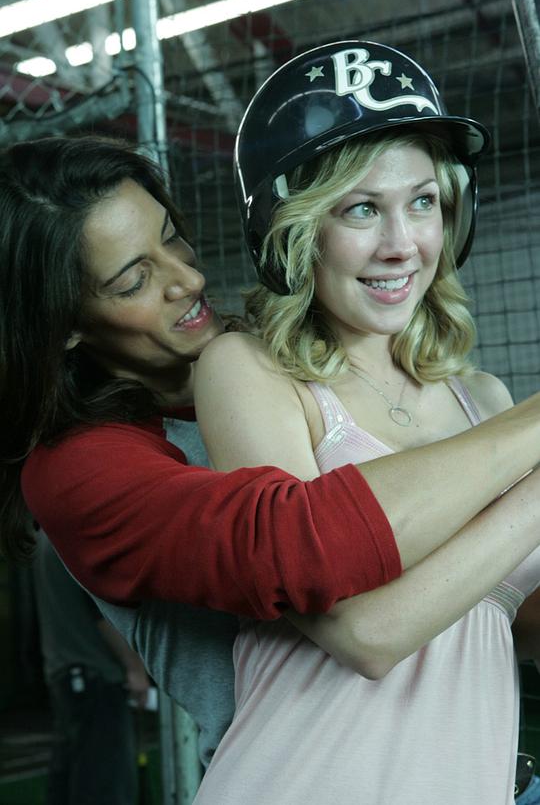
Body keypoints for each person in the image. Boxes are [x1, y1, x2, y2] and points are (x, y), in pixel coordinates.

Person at [1, 131, 540, 769]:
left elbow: (490, 606)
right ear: (63, 322)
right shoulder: (78, 469)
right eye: (134, 280)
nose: (189, 279)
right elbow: (294, 550)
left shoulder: (307, 363)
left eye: (172, 238)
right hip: (309, 775)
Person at [192, 41, 540, 803]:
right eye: (360, 209)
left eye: (423, 202)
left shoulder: (486, 401)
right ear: (294, 229)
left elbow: (509, 621)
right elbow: (364, 632)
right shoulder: (247, 373)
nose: (401, 244)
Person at [33, 528, 150, 805]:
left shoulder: (44, 539)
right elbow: (103, 616)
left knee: (70, 781)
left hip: (67, 676)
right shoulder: (75, 538)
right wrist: (135, 669)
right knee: (104, 784)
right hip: (97, 677)